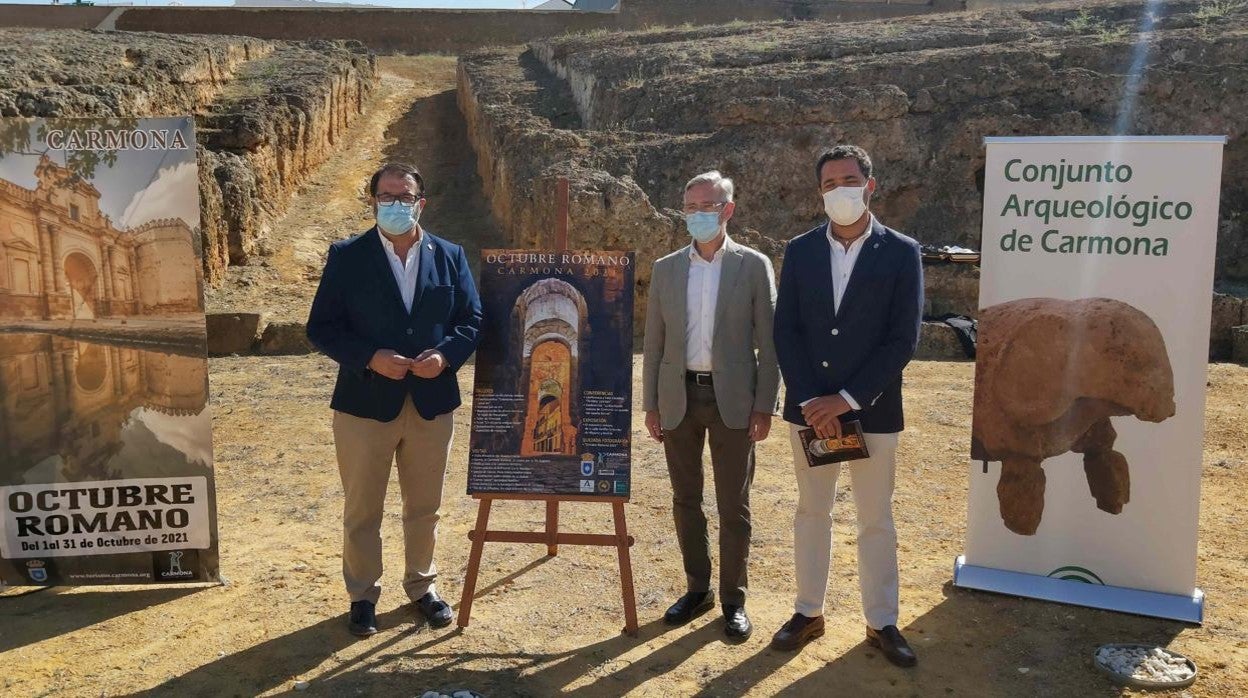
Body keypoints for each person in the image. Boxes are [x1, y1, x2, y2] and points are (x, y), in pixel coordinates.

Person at [306, 162, 482, 637]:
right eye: (386, 197)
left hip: (431, 402)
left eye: (404, 197)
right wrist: (368, 356)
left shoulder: (450, 255)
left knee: (425, 506)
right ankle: (363, 596)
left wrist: (445, 358)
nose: (396, 205)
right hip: (365, 405)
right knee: (363, 508)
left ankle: (422, 586)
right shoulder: (348, 257)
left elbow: (472, 320)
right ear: (372, 201)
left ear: (421, 202)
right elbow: (320, 327)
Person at [770, 146, 923, 667]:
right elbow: (785, 330)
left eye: (849, 179)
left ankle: (882, 621)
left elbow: (902, 338)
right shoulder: (801, 250)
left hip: (872, 411)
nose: (841, 189)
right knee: (812, 511)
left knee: (875, 518)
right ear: (820, 192)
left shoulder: (902, 252)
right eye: (831, 182)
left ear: (870, 185)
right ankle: (808, 611)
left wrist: (848, 399)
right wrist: (814, 399)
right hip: (811, 412)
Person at [642, 170, 780, 641]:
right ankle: (697, 588)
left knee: (733, 504)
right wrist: (651, 404)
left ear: (728, 210)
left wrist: (765, 405)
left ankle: (733, 598)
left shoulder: (754, 265)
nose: (699, 214)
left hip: (734, 403)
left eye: (709, 205)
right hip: (679, 397)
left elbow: (770, 342)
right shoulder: (666, 269)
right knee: (686, 499)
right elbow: (654, 344)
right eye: (691, 206)